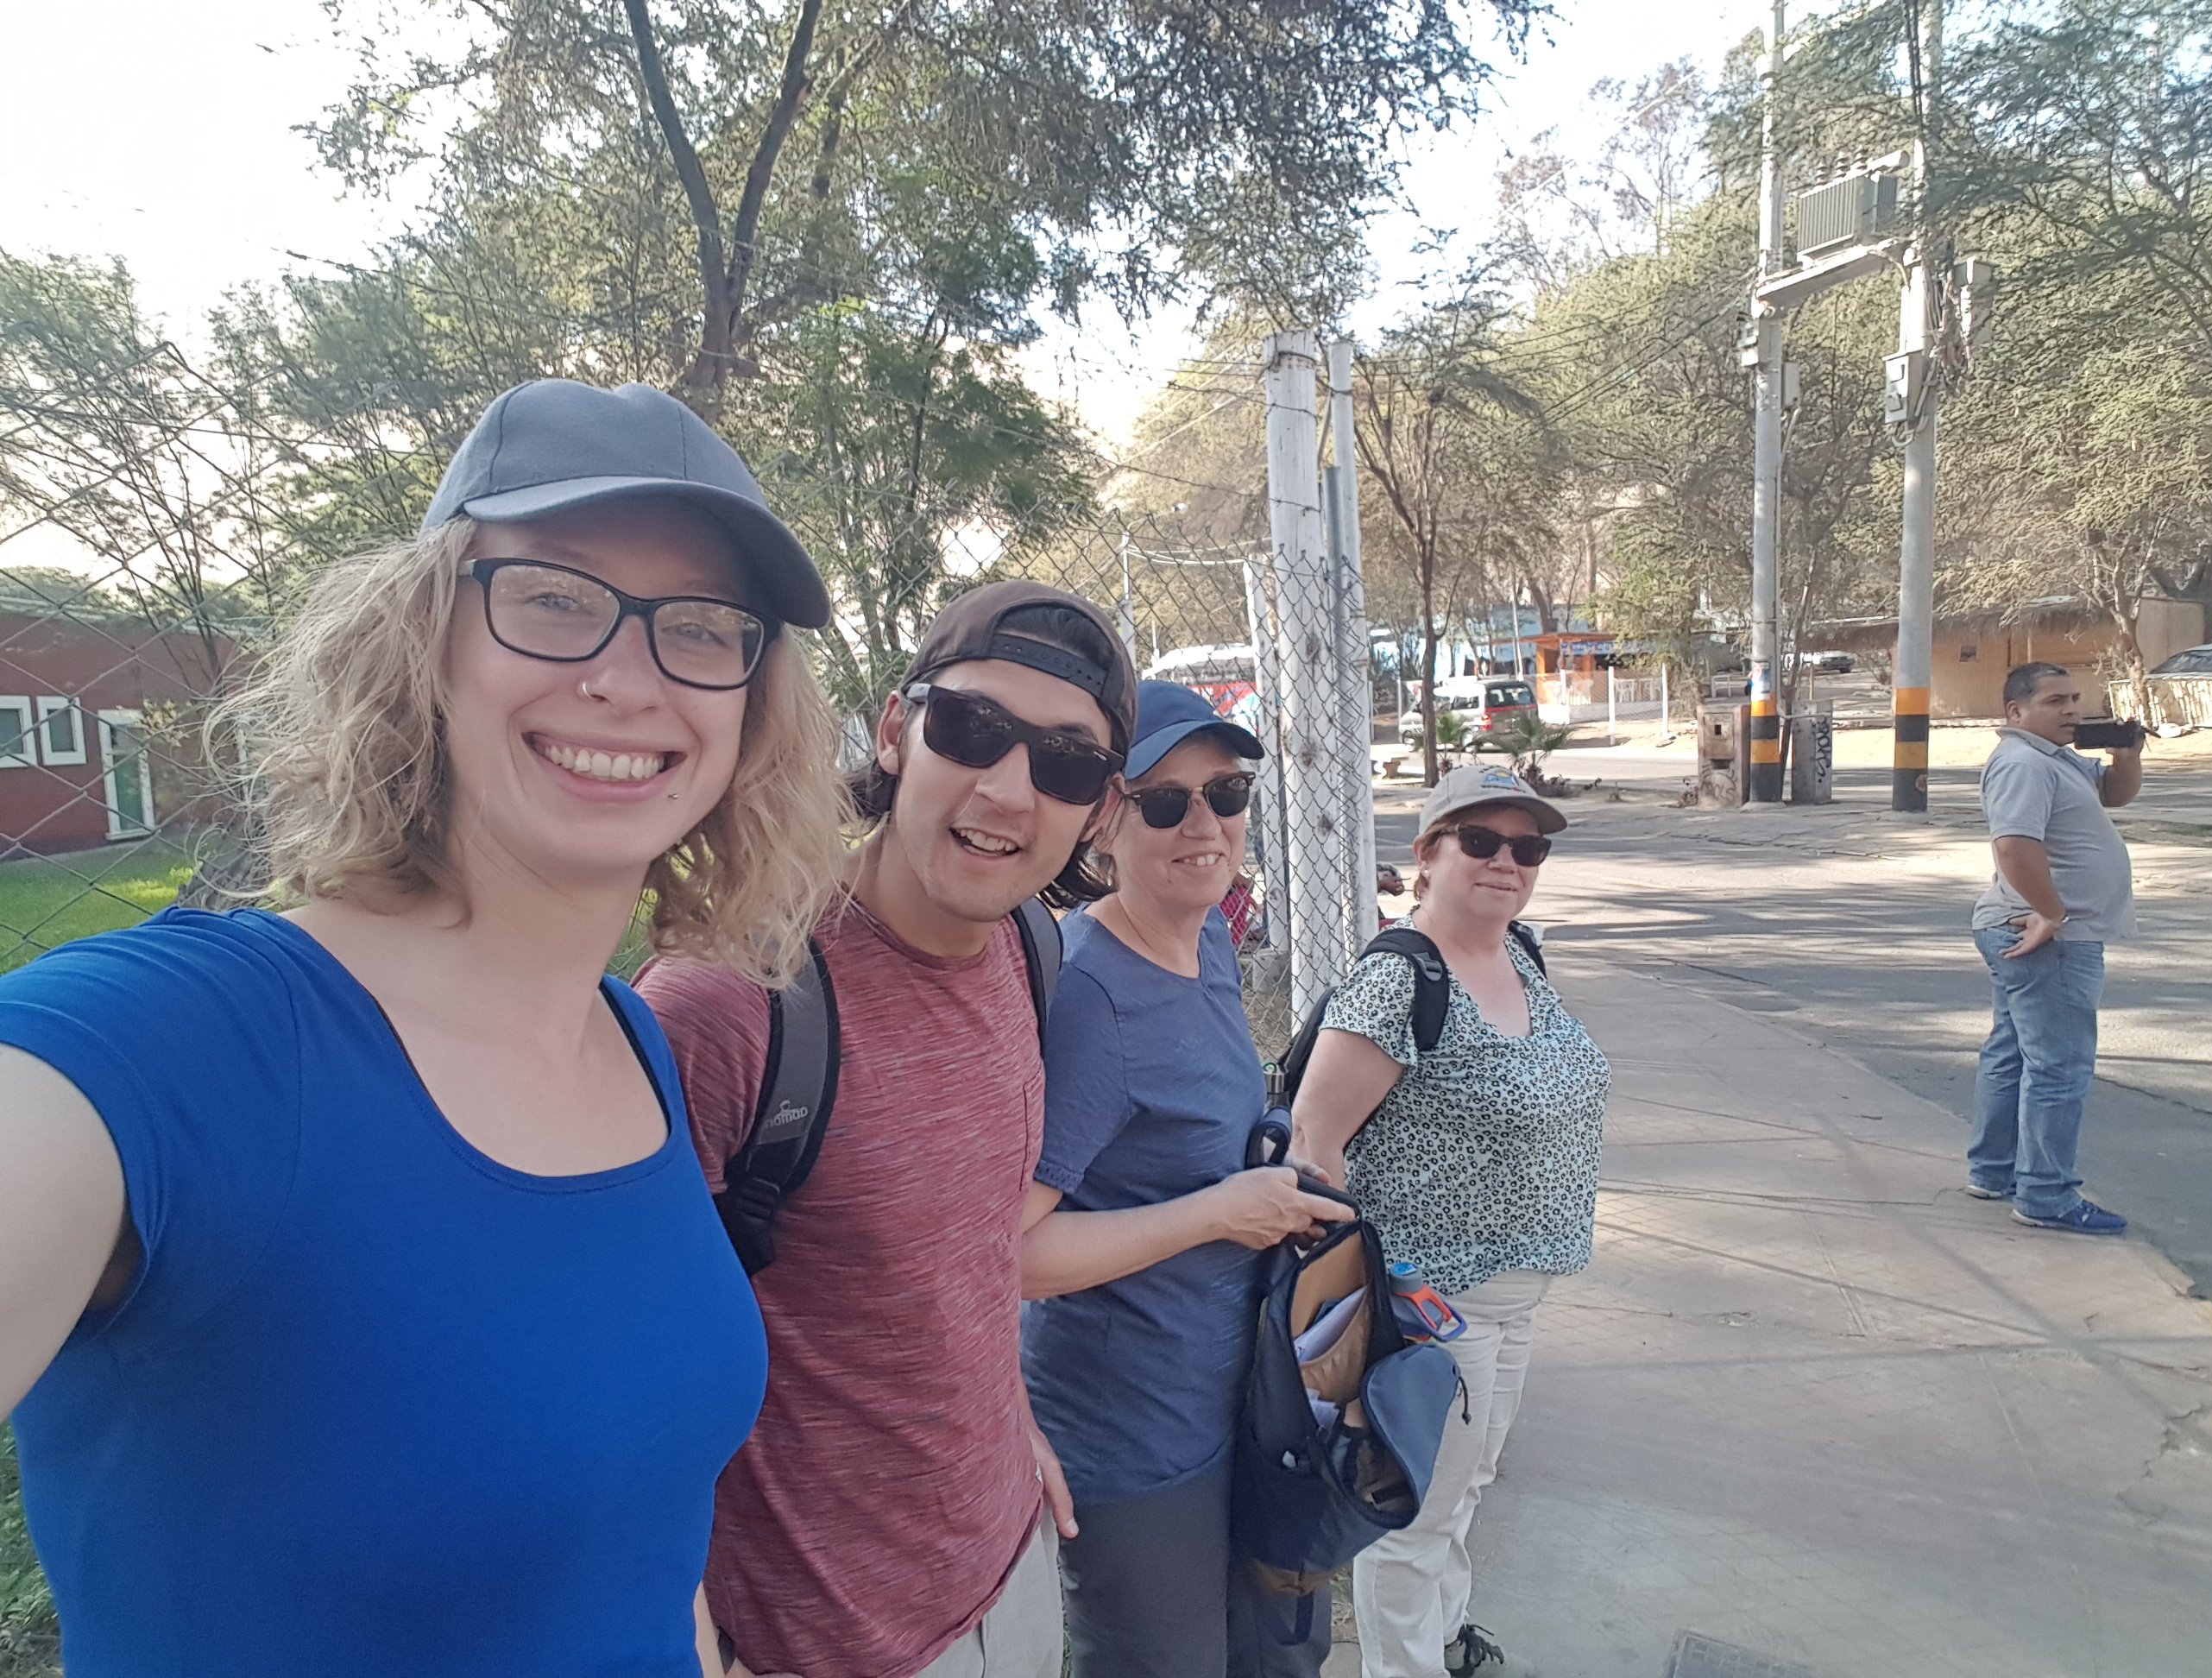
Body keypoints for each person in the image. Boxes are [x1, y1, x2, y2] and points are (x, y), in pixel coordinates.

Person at [0, 377, 850, 1677]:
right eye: (554, 597)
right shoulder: (168, 1048)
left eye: (700, 627)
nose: (627, 680)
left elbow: (637, 1532)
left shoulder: (631, 1044)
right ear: (424, 638)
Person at [636, 580, 1137, 1678]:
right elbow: (616, 1370)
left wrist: (1006, 1429)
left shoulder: (1031, 951)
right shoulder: (732, 1001)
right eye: (973, 728)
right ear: (898, 730)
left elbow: (964, 1262)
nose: (1008, 790)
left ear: (1099, 809)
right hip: (822, 1641)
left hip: (1011, 1573)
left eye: (1064, 763)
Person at [1019, 681, 1352, 1678]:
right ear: (1103, 824)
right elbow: (1014, 1254)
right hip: (1134, 1435)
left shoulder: (1207, 935)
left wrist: (1277, 1156)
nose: (1204, 825)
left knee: (1275, 1654)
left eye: (1227, 792)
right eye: (1165, 802)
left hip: (1242, 1397)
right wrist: (1218, 1212)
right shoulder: (1090, 997)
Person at [1290, 764, 1609, 1678]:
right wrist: (1358, 1303)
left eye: (1528, 847)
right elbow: (1314, 1145)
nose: (1507, 861)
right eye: (1481, 841)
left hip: (1515, 1297)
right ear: (1427, 854)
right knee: (1415, 1514)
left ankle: (1447, 1637)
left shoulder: (1521, 955)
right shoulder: (1401, 980)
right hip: (1432, 1307)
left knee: (1468, 1486)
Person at [1966, 661, 2143, 1234]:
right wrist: (2052, 913)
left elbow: (2114, 795)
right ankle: (2046, 1196)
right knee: (2059, 1068)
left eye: (2074, 699)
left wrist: (2126, 755)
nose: (2071, 710)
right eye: (2055, 701)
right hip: (2051, 937)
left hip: (2042, 931)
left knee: (2014, 1052)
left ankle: (1994, 1171)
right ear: (2015, 711)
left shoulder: (2054, 757)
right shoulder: (2022, 763)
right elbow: (2014, 847)